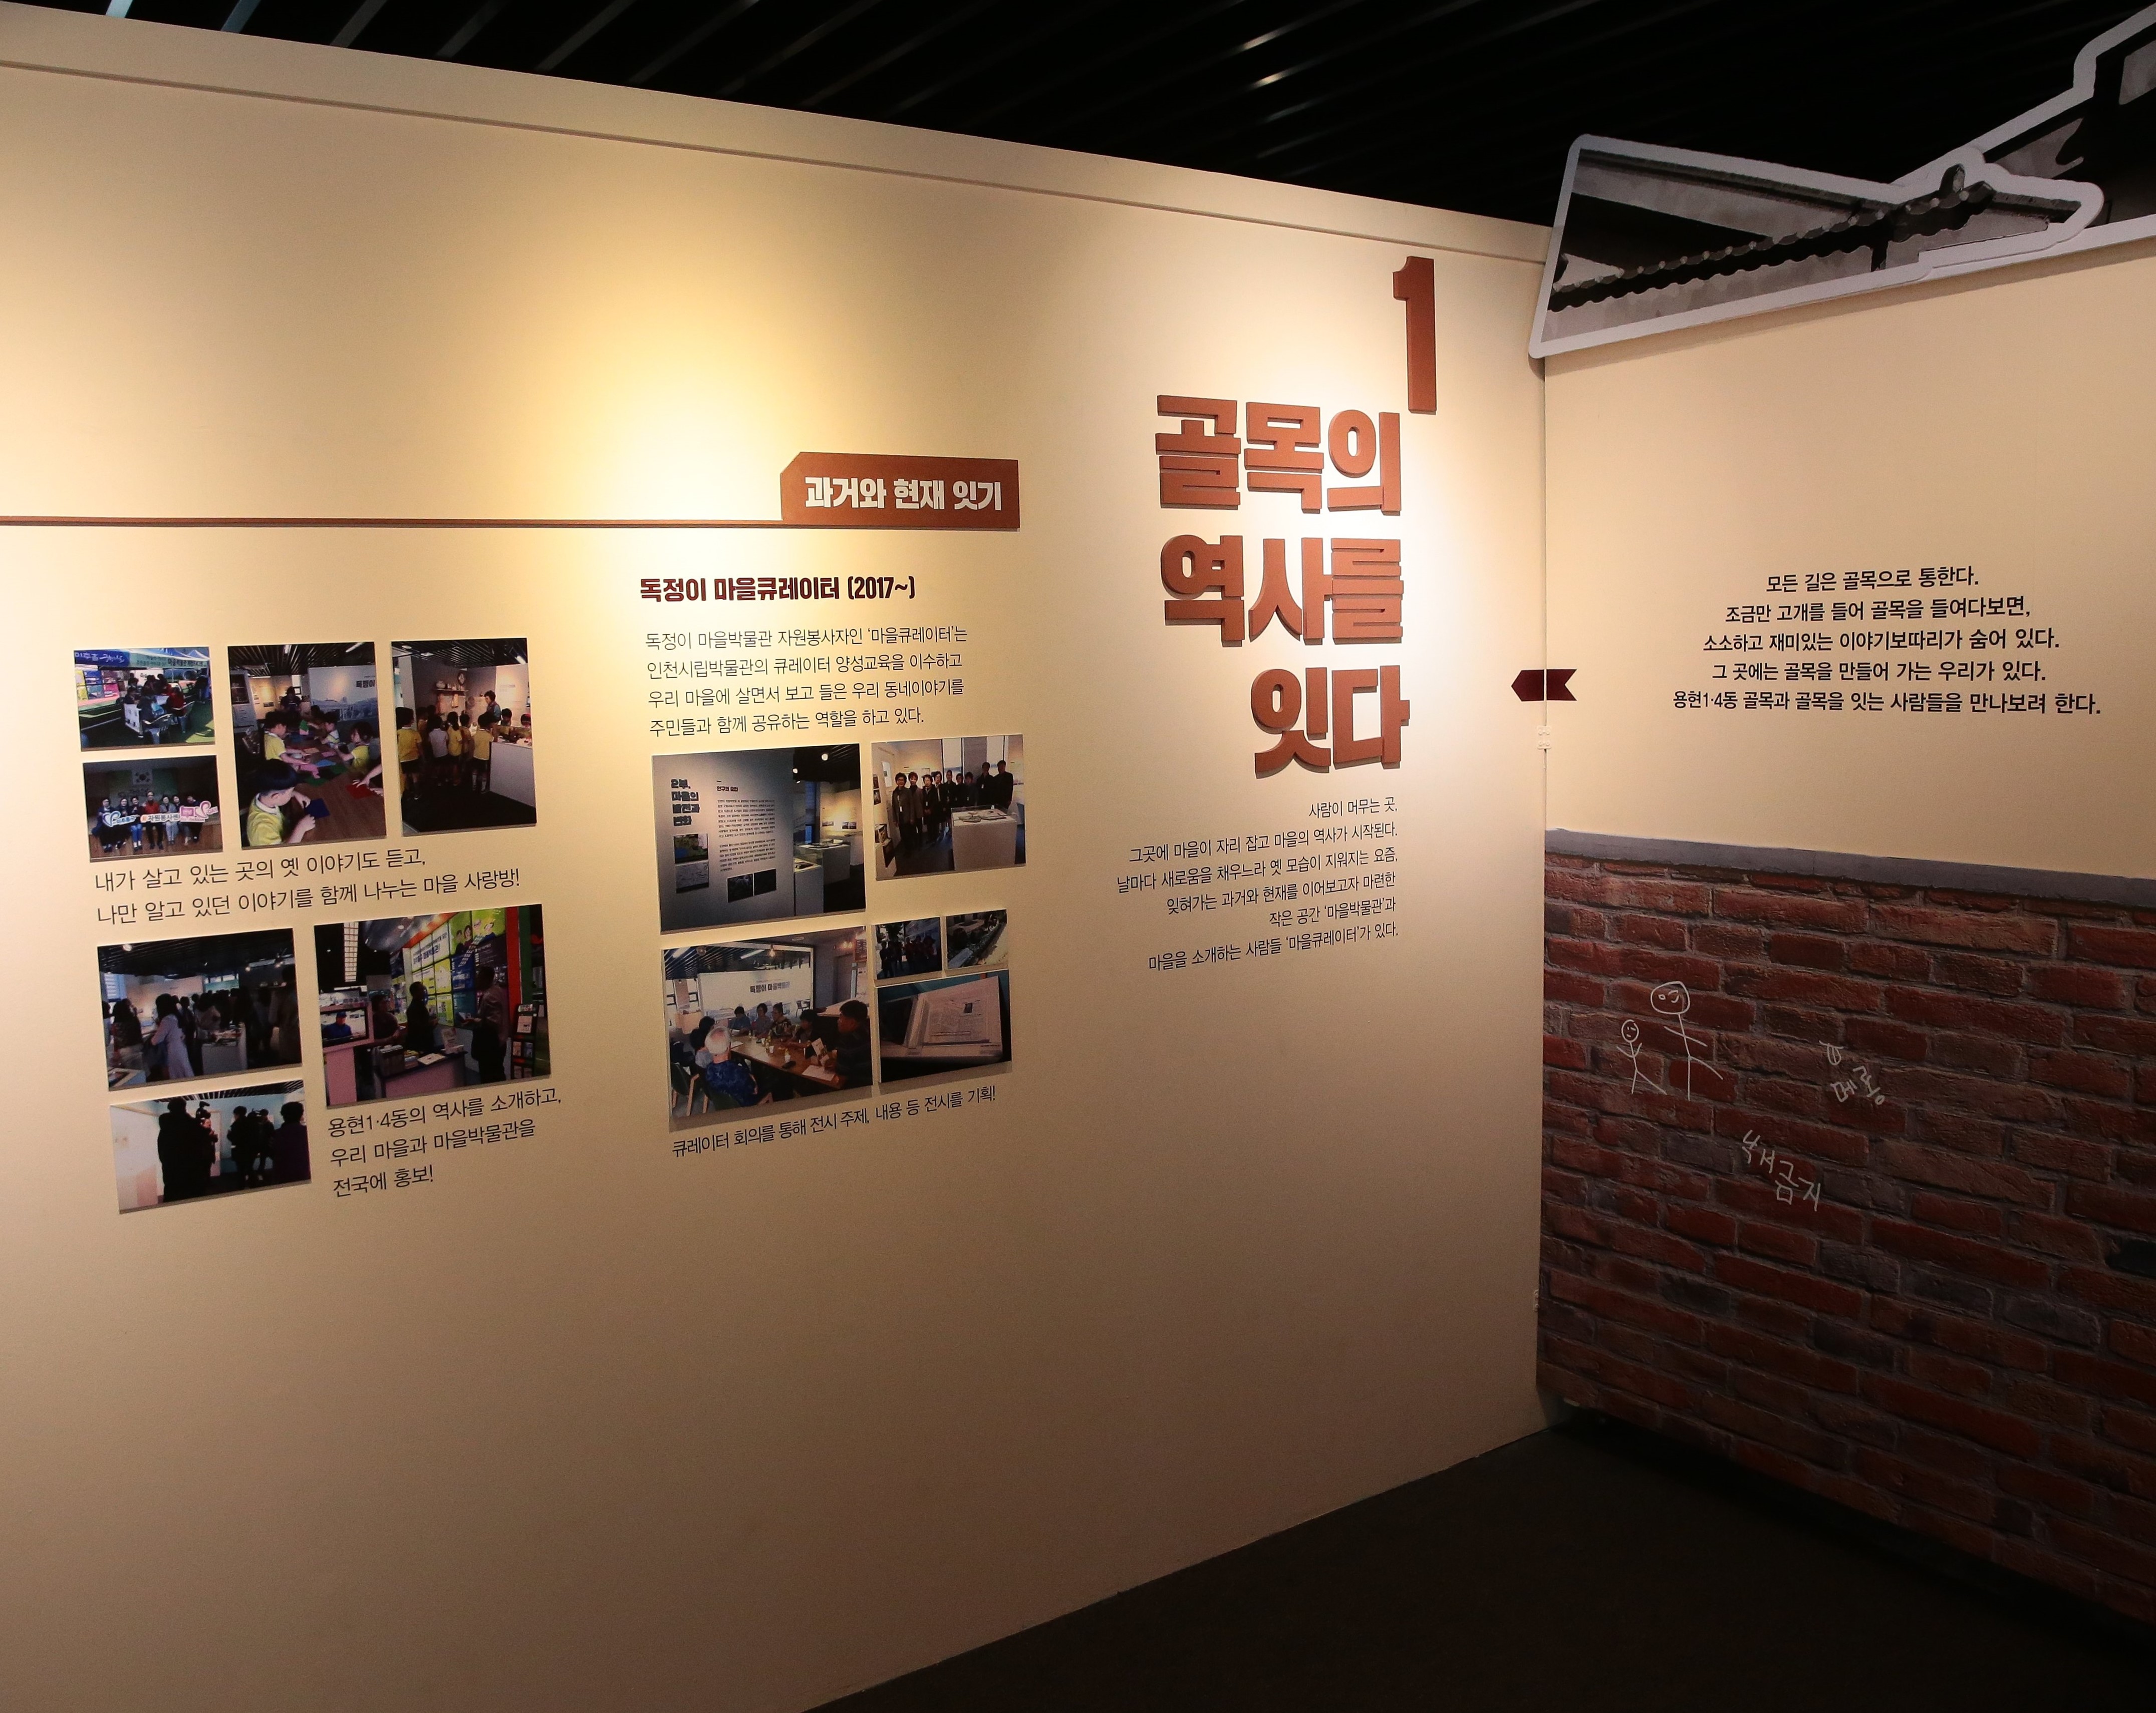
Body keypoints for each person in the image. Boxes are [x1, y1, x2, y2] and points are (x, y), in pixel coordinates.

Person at [243, 760, 319, 847]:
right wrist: (301, 827)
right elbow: (282, 852)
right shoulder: (262, 828)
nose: (292, 793)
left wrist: (294, 794)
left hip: (283, 834)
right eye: (290, 792)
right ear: (276, 796)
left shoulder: (262, 797)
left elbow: (278, 795)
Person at [156, 1097, 214, 1202]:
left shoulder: (165, 1121)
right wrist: (198, 1122)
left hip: (171, 1170)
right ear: (184, 1107)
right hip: (191, 1171)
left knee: (172, 1197)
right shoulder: (191, 1124)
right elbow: (202, 1137)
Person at [471, 966, 508, 1082]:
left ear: (486, 978)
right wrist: (476, 1021)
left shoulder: (489, 996)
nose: (476, 980)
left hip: (491, 1046)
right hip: (500, 1042)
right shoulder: (498, 991)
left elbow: (493, 1023)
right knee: (498, 1072)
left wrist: (477, 1023)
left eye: (479, 977)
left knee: (489, 1076)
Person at [146, 994, 192, 1083]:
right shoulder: (176, 1016)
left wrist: (151, 1039)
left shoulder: (167, 1020)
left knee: (177, 1076)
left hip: (173, 1051)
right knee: (185, 1073)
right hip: (181, 1048)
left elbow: (156, 1041)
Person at [830, 999, 872, 1086]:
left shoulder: (846, 1042)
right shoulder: (868, 1032)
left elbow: (842, 1078)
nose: (838, 1021)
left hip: (857, 1086)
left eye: (841, 1017)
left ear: (852, 1023)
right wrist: (839, 1065)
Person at [266, 1101, 310, 1186]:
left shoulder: (276, 1134)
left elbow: (271, 1152)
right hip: (304, 1173)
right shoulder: (307, 1132)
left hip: (282, 1175)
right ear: (301, 1115)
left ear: (283, 1115)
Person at [403, 982, 439, 1056]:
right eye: (422, 989)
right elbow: (419, 1028)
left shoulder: (420, 1005)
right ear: (415, 992)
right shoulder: (413, 1009)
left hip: (425, 1043)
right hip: (421, 1045)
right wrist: (432, 1023)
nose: (424, 992)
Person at [395, 707, 422, 799]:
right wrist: (423, 757)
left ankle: (406, 793)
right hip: (414, 758)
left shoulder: (397, 733)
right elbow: (420, 748)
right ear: (411, 720)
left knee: (404, 777)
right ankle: (417, 793)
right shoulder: (415, 734)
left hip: (402, 760)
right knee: (415, 776)